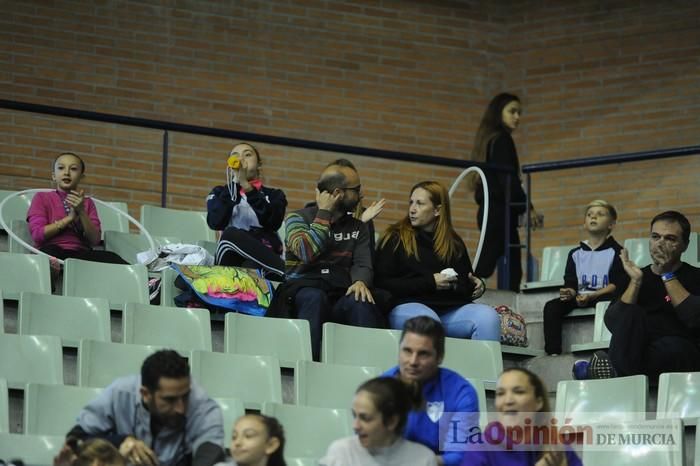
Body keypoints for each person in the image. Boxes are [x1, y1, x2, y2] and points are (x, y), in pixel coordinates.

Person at [267, 162, 383, 360]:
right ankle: (307, 366)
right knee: (314, 297)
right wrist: (324, 213)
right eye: (356, 190)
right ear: (338, 193)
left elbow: (363, 263)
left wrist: (360, 281)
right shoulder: (297, 218)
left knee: (361, 299)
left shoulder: (359, 227)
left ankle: (368, 372)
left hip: (338, 293)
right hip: (302, 294)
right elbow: (307, 252)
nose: (360, 195)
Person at [375, 181, 499, 341]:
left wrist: (477, 286)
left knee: (488, 318)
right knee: (428, 321)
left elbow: (464, 284)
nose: (412, 209)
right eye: (411, 202)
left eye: (420, 204)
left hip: (448, 310)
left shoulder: (453, 243)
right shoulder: (395, 237)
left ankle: (482, 367)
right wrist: (430, 282)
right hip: (407, 306)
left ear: (437, 210)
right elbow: (382, 283)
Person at [65, 350, 225, 466]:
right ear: (145, 394)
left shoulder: (202, 405)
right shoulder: (119, 393)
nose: (180, 408)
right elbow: (75, 439)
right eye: (170, 400)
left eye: (185, 396)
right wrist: (120, 441)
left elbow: (210, 452)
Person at [602, 210, 700, 380]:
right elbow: (614, 322)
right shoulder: (635, 276)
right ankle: (619, 368)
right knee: (632, 313)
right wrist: (636, 282)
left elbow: (694, 318)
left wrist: (667, 273)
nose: (660, 243)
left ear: (685, 245)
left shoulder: (696, 276)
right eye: (655, 237)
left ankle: (613, 369)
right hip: (641, 348)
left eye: (670, 239)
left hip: (682, 351)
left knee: (674, 347)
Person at [383, 316, 480, 466]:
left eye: (423, 354)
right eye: (407, 351)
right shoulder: (383, 386)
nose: (413, 361)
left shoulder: (461, 393)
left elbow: (460, 455)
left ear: (439, 357)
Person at [468, 93, 540, 292]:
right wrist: (527, 206)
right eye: (512, 111)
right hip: (498, 212)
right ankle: (462, 294)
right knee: (492, 266)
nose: (517, 117)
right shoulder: (501, 139)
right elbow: (507, 181)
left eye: (519, 112)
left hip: (493, 210)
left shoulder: (489, 139)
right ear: (498, 113)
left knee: (501, 265)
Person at [542, 200, 628, 355]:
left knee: (614, 305)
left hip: (603, 296)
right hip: (581, 297)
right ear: (584, 223)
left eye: (600, 214)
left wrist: (593, 295)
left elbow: (618, 284)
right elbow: (571, 284)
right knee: (552, 307)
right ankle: (553, 352)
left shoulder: (617, 251)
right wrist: (569, 292)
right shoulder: (575, 253)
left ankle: (610, 348)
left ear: (611, 224)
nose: (593, 217)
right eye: (589, 215)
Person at [459, 368, 582, 466]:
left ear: (538, 402)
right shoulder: (479, 448)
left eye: (519, 392)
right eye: (500, 393)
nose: (508, 400)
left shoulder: (557, 447)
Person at [26, 152, 127, 263]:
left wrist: (82, 211)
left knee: (111, 257)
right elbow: (38, 235)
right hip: (51, 251)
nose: (67, 173)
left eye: (73, 169)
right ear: (53, 176)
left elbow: (94, 240)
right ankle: (54, 270)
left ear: (81, 177)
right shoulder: (42, 197)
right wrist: (69, 219)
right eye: (61, 168)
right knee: (50, 253)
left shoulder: (87, 202)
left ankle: (146, 279)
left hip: (81, 255)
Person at [206, 142, 287, 279]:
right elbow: (216, 222)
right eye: (235, 156)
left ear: (259, 164)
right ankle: (285, 272)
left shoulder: (274, 195)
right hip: (228, 258)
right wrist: (235, 184)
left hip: (263, 259)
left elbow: (273, 223)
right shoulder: (220, 192)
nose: (241, 159)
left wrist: (247, 187)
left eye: (247, 155)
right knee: (230, 234)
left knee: (251, 267)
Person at [320, 377, 437, 466]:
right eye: (354, 416)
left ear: (392, 421)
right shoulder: (341, 452)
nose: (355, 426)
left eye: (365, 418)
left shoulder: (424, 459)